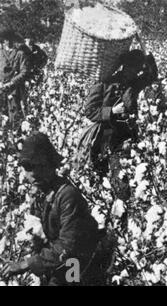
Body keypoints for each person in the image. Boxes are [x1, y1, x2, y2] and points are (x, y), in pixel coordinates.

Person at [0, 132, 110, 286]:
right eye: (27, 167)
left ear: (51, 165)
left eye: (39, 166)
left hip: (80, 264)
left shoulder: (67, 195)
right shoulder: (38, 196)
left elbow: (69, 247)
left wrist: (26, 264)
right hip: (62, 263)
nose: (33, 173)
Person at [78, 49, 157, 202]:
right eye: (131, 68)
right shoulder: (104, 83)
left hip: (127, 135)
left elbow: (151, 76)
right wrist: (112, 111)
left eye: (137, 70)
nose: (133, 73)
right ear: (124, 66)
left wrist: (149, 60)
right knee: (107, 176)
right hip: (105, 137)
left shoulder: (134, 84)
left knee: (129, 174)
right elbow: (89, 111)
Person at [0, 29, 31, 128]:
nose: (8, 42)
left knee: (14, 115)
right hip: (1, 88)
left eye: (10, 39)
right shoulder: (0, 53)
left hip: (14, 89)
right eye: (6, 40)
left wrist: (12, 82)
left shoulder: (20, 54)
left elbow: (24, 71)